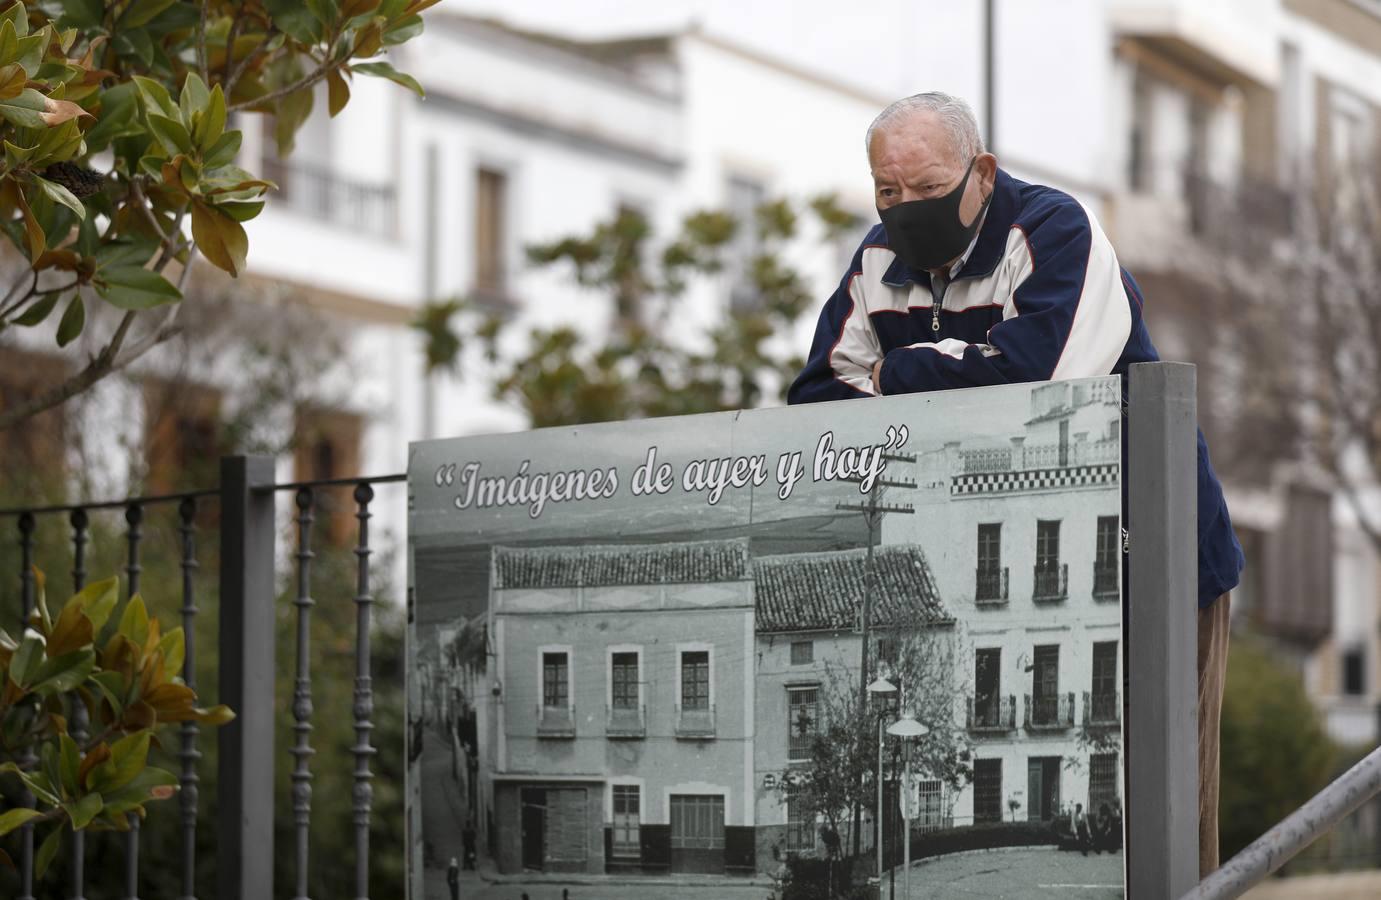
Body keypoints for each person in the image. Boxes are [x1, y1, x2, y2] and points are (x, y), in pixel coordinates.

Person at [788, 92, 1244, 878]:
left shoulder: (1057, 233)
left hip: (1155, 551)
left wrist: (897, 372)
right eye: (886, 192)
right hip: (983, 557)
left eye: (926, 188)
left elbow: (1038, 386)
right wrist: (962, 370)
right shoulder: (874, 261)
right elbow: (818, 400)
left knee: (1169, 813)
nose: (904, 209)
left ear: (981, 174)